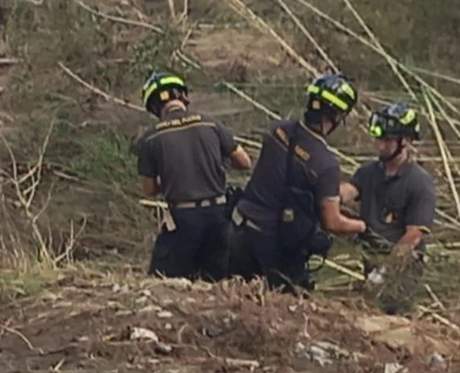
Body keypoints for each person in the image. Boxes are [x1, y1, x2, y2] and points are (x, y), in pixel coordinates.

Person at [228, 73, 369, 294]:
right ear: (336, 116)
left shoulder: (278, 130)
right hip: (274, 247)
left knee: (236, 297)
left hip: (239, 227)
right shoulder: (326, 164)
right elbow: (332, 222)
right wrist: (362, 226)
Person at [135, 71, 252, 281]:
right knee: (216, 282)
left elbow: (149, 190)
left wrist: (171, 177)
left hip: (183, 220)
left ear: (153, 108)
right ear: (183, 97)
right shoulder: (211, 122)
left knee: (162, 282)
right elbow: (244, 162)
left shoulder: (150, 138)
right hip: (218, 215)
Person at [341, 102, 437, 314]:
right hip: (371, 260)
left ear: (406, 141)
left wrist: (385, 272)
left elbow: (413, 235)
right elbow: (349, 191)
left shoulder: (420, 183)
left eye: (387, 140)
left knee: (393, 313)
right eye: (378, 139)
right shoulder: (368, 172)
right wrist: (327, 195)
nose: (380, 145)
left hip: (402, 269)